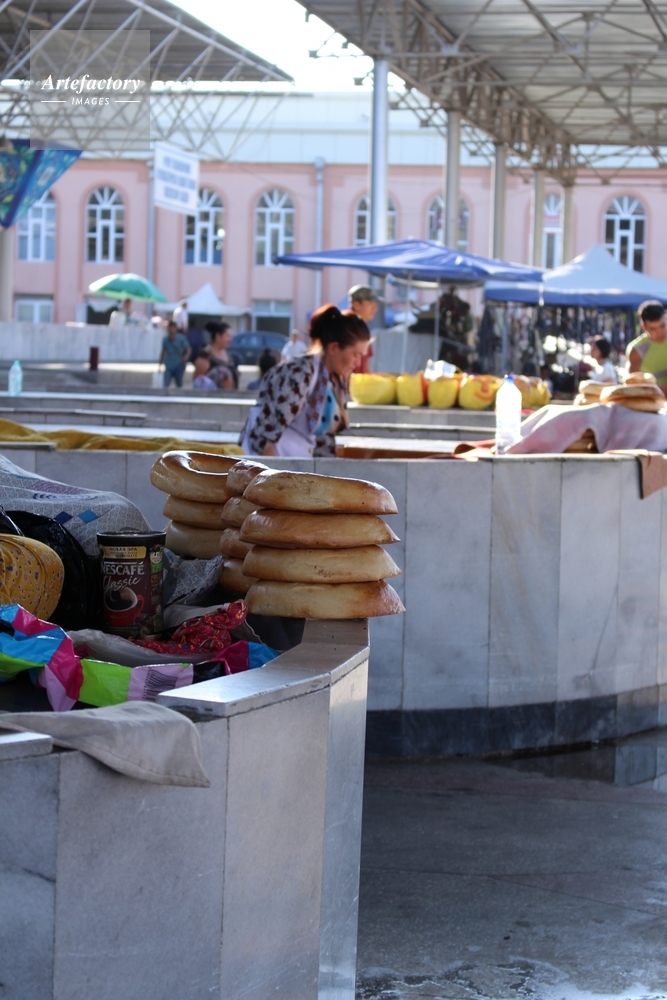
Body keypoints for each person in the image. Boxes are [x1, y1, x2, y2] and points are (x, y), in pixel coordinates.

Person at [241, 304, 371, 457]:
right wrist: (275, 471)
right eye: (355, 355)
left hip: (298, 465)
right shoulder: (299, 373)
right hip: (273, 465)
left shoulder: (335, 380)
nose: (357, 363)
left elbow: (324, 442)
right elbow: (263, 439)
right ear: (334, 348)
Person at [627, 300, 667, 390]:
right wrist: (656, 389)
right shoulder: (637, 350)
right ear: (644, 327)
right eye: (653, 329)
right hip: (651, 398)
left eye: (662, 326)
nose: (660, 332)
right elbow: (632, 385)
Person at [349, 285, 378, 374]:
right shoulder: (345, 330)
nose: (375, 308)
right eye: (370, 303)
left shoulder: (364, 330)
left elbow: (365, 369)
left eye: (375, 304)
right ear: (356, 305)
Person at [204, 320, 238, 388]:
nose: (230, 340)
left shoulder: (228, 355)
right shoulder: (205, 355)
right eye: (227, 336)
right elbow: (199, 384)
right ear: (218, 336)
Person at [159, 320, 190, 388]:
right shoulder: (165, 340)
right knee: (165, 386)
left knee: (179, 386)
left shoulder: (181, 338)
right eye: (170, 328)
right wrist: (160, 365)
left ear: (176, 329)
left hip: (178, 365)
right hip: (169, 365)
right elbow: (163, 352)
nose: (171, 330)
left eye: (173, 328)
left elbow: (188, 349)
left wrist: (186, 356)